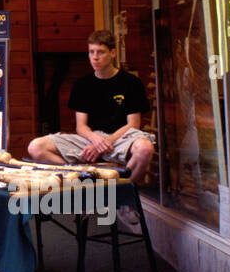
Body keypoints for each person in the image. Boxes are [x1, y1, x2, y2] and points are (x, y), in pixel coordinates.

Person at [27, 30, 156, 230]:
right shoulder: (82, 84)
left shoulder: (131, 83)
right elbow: (81, 127)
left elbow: (133, 124)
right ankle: (84, 188)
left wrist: (106, 143)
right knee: (36, 147)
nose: (94, 57)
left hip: (121, 138)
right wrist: (96, 141)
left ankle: (122, 197)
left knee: (146, 149)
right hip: (90, 138)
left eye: (100, 52)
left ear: (113, 53)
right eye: (91, 52)